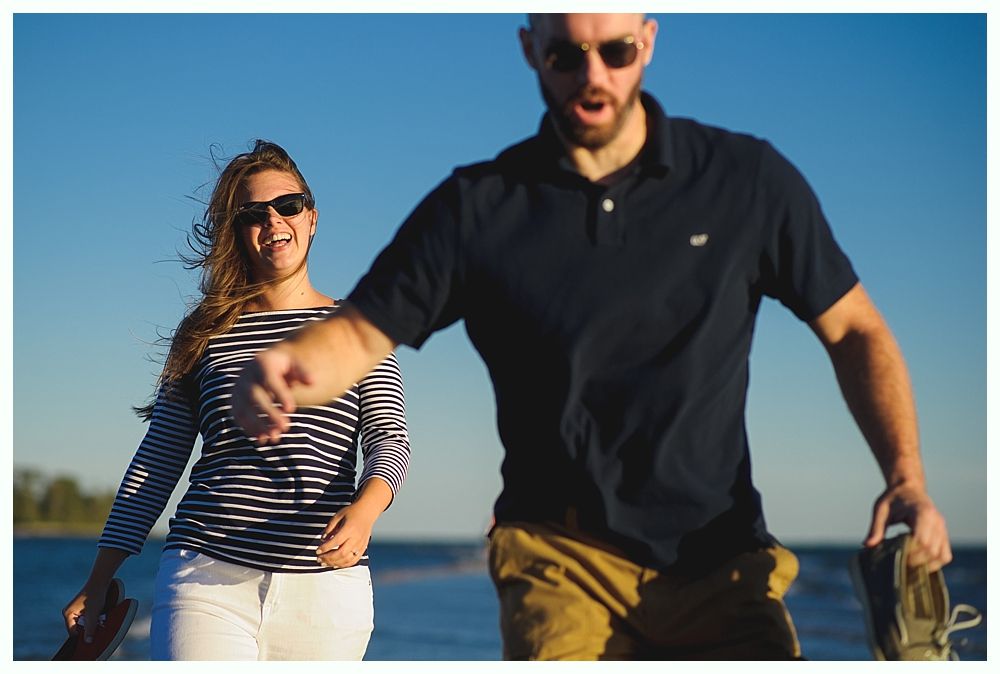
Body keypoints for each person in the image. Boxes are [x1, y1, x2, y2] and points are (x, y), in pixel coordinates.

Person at [230, 14, 952, 660]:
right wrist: (290, 365)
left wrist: (906, 477)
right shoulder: (477, 207)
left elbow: (855, 327)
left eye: (615, 50)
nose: (593, 75)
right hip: (558, 555)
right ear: (529, 50)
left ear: (649, 40)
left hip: (722, 556)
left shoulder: (746, 181)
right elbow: (358, 332)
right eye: (566, 55)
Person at [62, 140, 411, 660]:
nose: (273, 221)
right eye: (253, 213)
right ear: (238, 232)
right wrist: (99, 578)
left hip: (326, 593)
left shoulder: (357, 328)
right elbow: (157, 462)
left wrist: (365, 509)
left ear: (311, 217)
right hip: (205, 575)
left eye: (287, 205)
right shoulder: (203, 333)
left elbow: (389, 438)